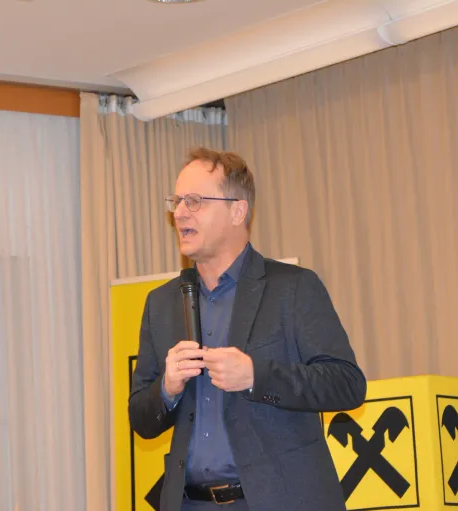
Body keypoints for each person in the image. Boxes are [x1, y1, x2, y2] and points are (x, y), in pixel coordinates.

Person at [128, 147, 367, 511]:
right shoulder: (161, 304)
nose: (179, 213)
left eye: (194, 201)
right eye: (176, 202)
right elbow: (141, 419)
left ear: (237, 211)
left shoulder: (292, 288)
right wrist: (167, 388)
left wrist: (257, 375)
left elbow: (346, 384)